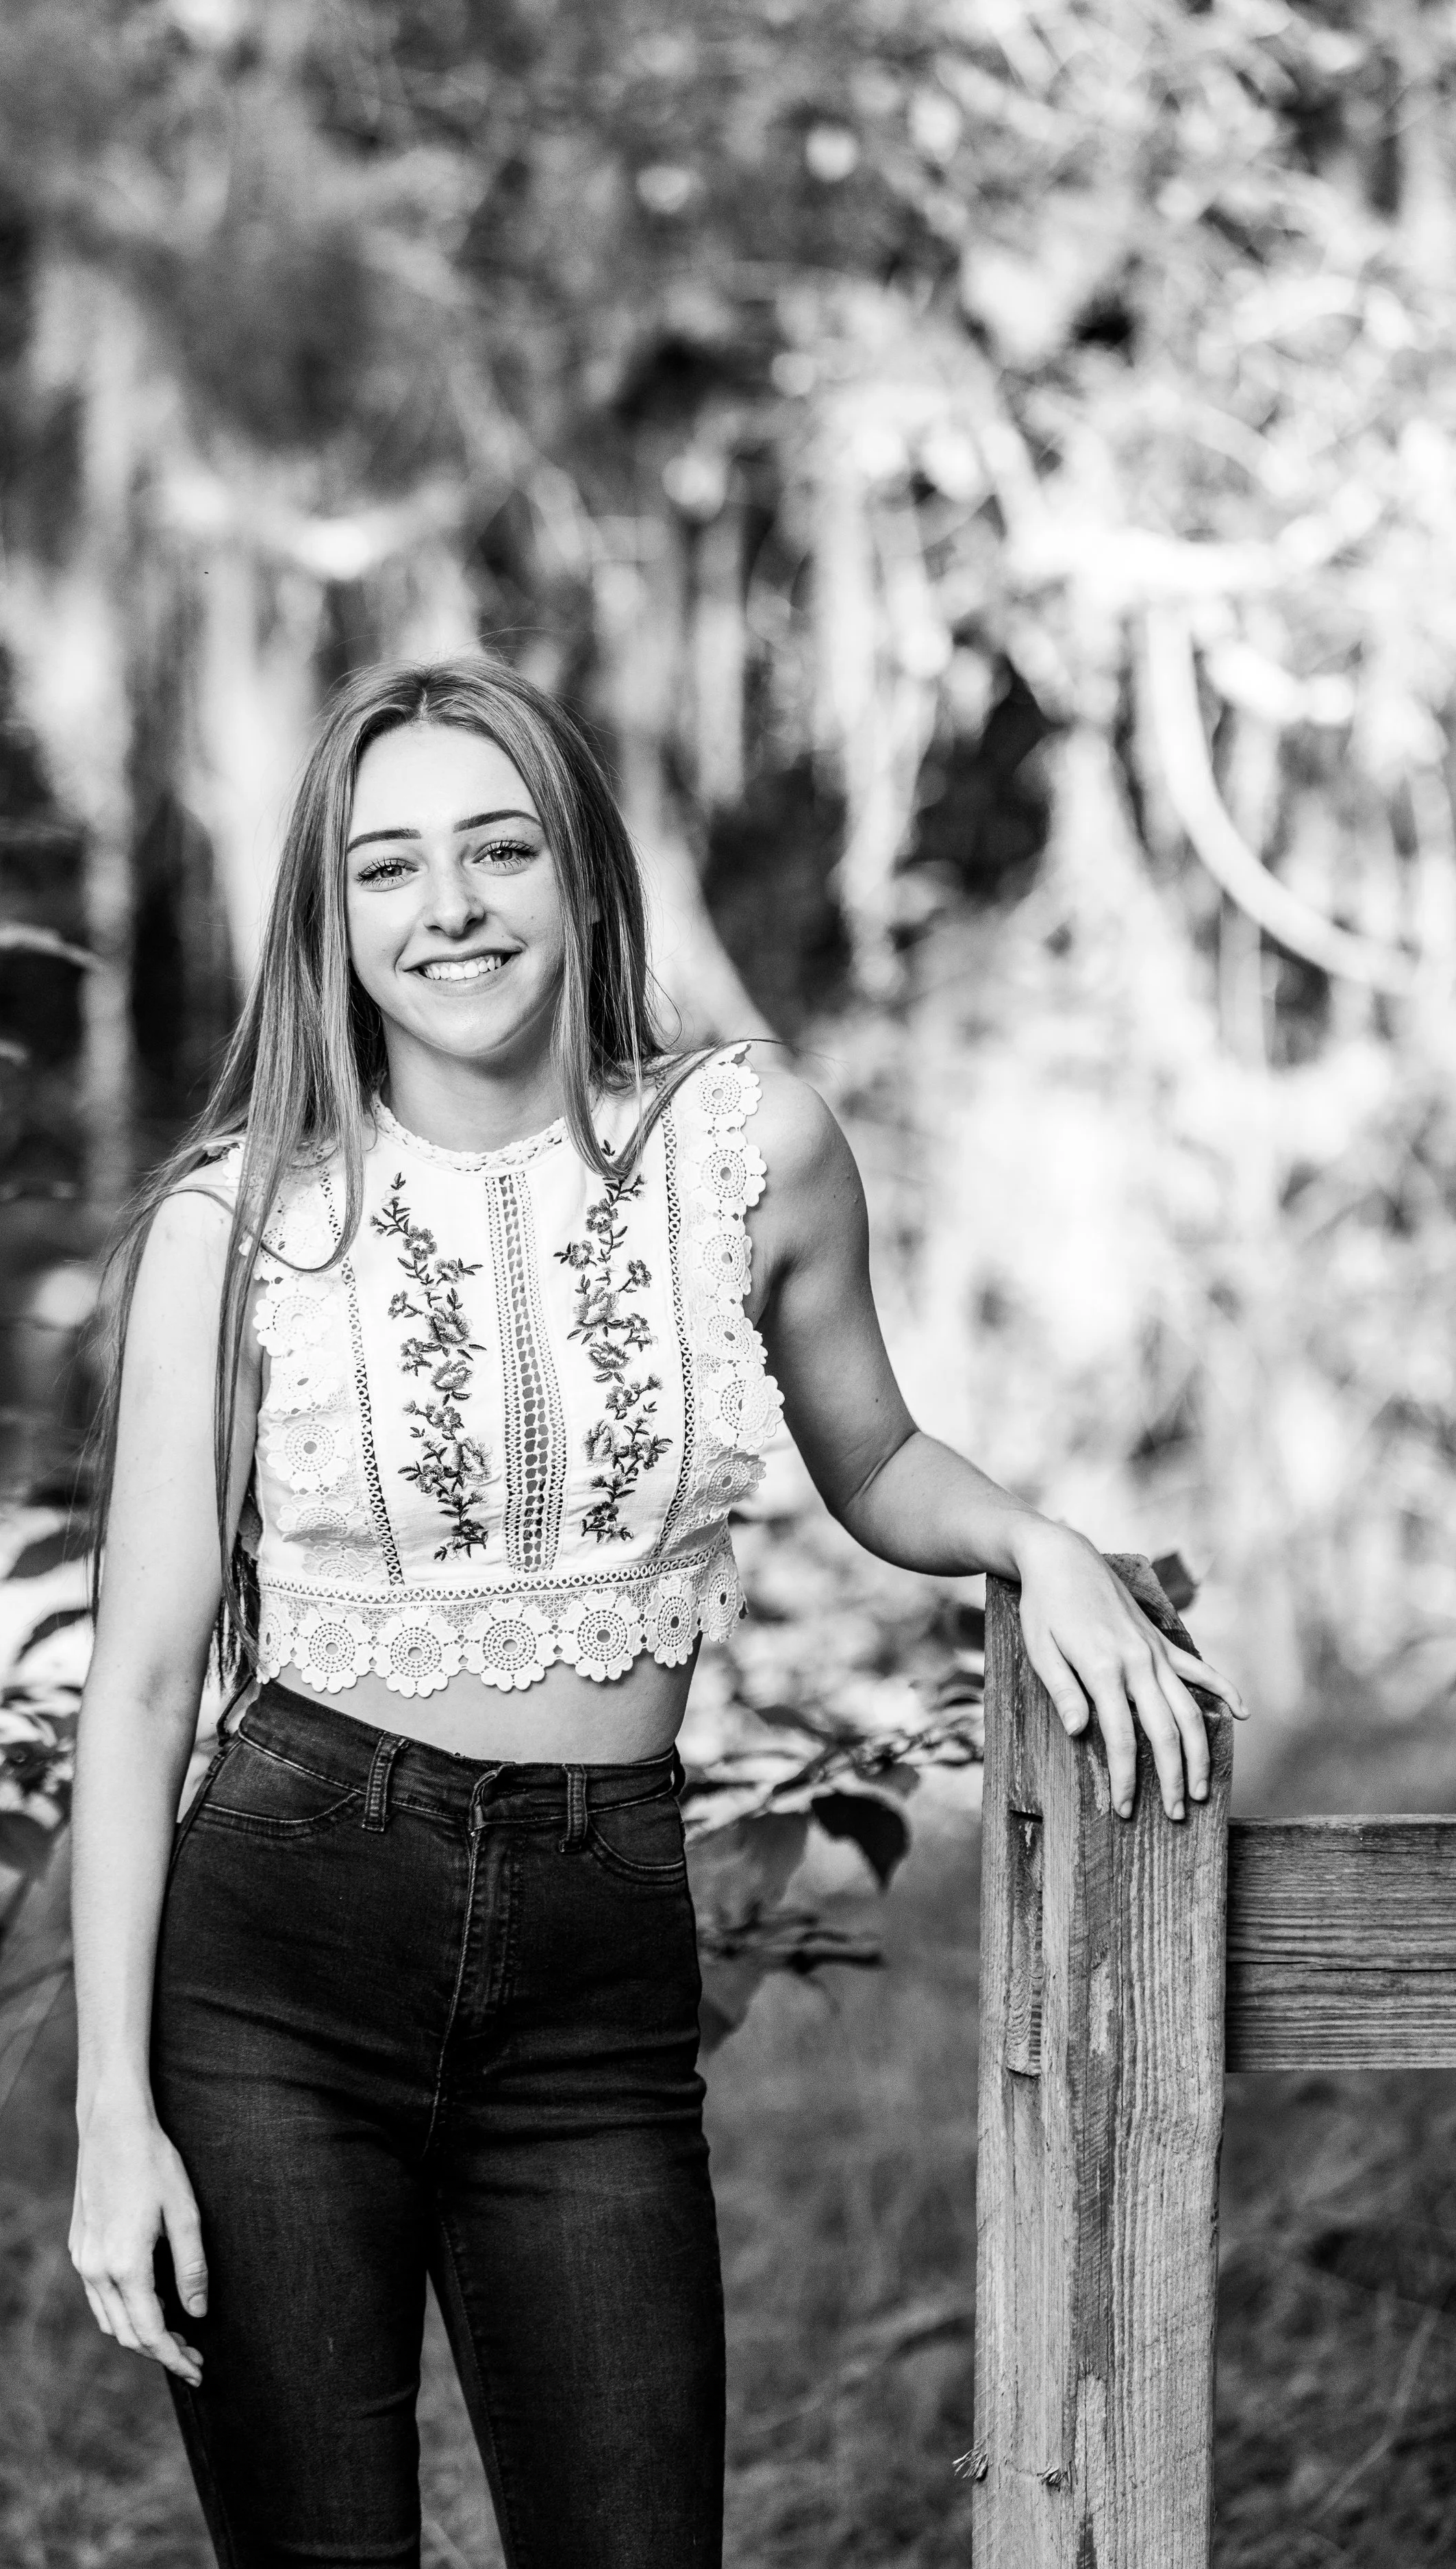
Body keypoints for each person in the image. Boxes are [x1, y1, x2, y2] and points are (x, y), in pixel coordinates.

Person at [67, 658, 1242, 2569]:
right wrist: (115, 2119)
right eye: (385, 869)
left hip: (591, 1956)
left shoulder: (742, 1147)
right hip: (279, 1952)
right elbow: (134, 1686)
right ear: (327, 920)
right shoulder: (239, 1219)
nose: (446, 907)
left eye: (495, 847)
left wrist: (1038, 1538)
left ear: (580, 872)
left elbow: (874, 1456)